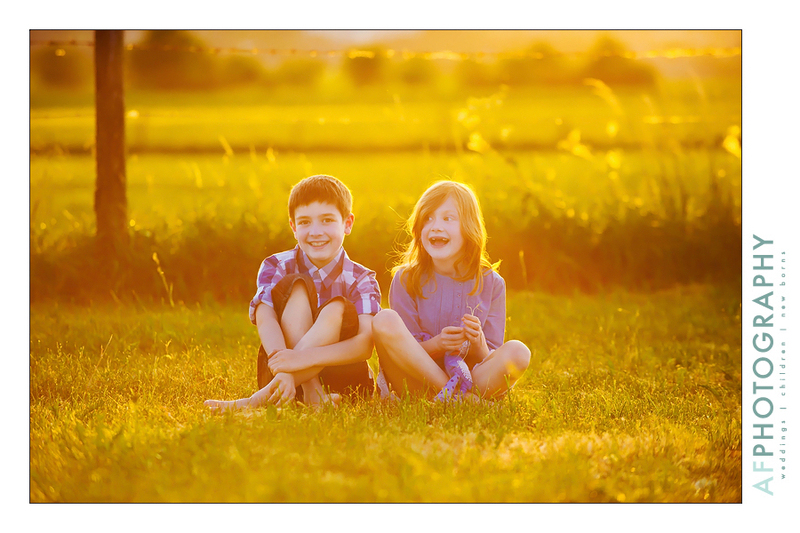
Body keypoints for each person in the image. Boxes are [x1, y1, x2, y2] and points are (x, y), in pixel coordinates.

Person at [205, 174, 381, 411]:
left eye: (327, 220)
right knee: (297, 285)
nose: (316, 231)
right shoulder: (277, 265)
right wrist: (282, 361)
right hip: (281, 372)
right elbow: (264, 317)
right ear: (293, 227)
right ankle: (312, 393)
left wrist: (301, 359)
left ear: (347, 223)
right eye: (305, 222)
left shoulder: (362, 278)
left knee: (336, 308)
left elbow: (364, 345)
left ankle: (257, 401)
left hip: (345, 380)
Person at [372, 180, 530, 401]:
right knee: (384, 319)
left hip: (470, 379)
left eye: (448, 218)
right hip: (416, 382)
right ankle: (456, 397)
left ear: (469, 228)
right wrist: (438, 345)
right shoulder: (406, 279)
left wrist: (478, 343)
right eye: (428, 218)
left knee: (519, 352)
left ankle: (455, 397)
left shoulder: (492, 283)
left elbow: (490, 356)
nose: (436, 226)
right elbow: (402, 349)